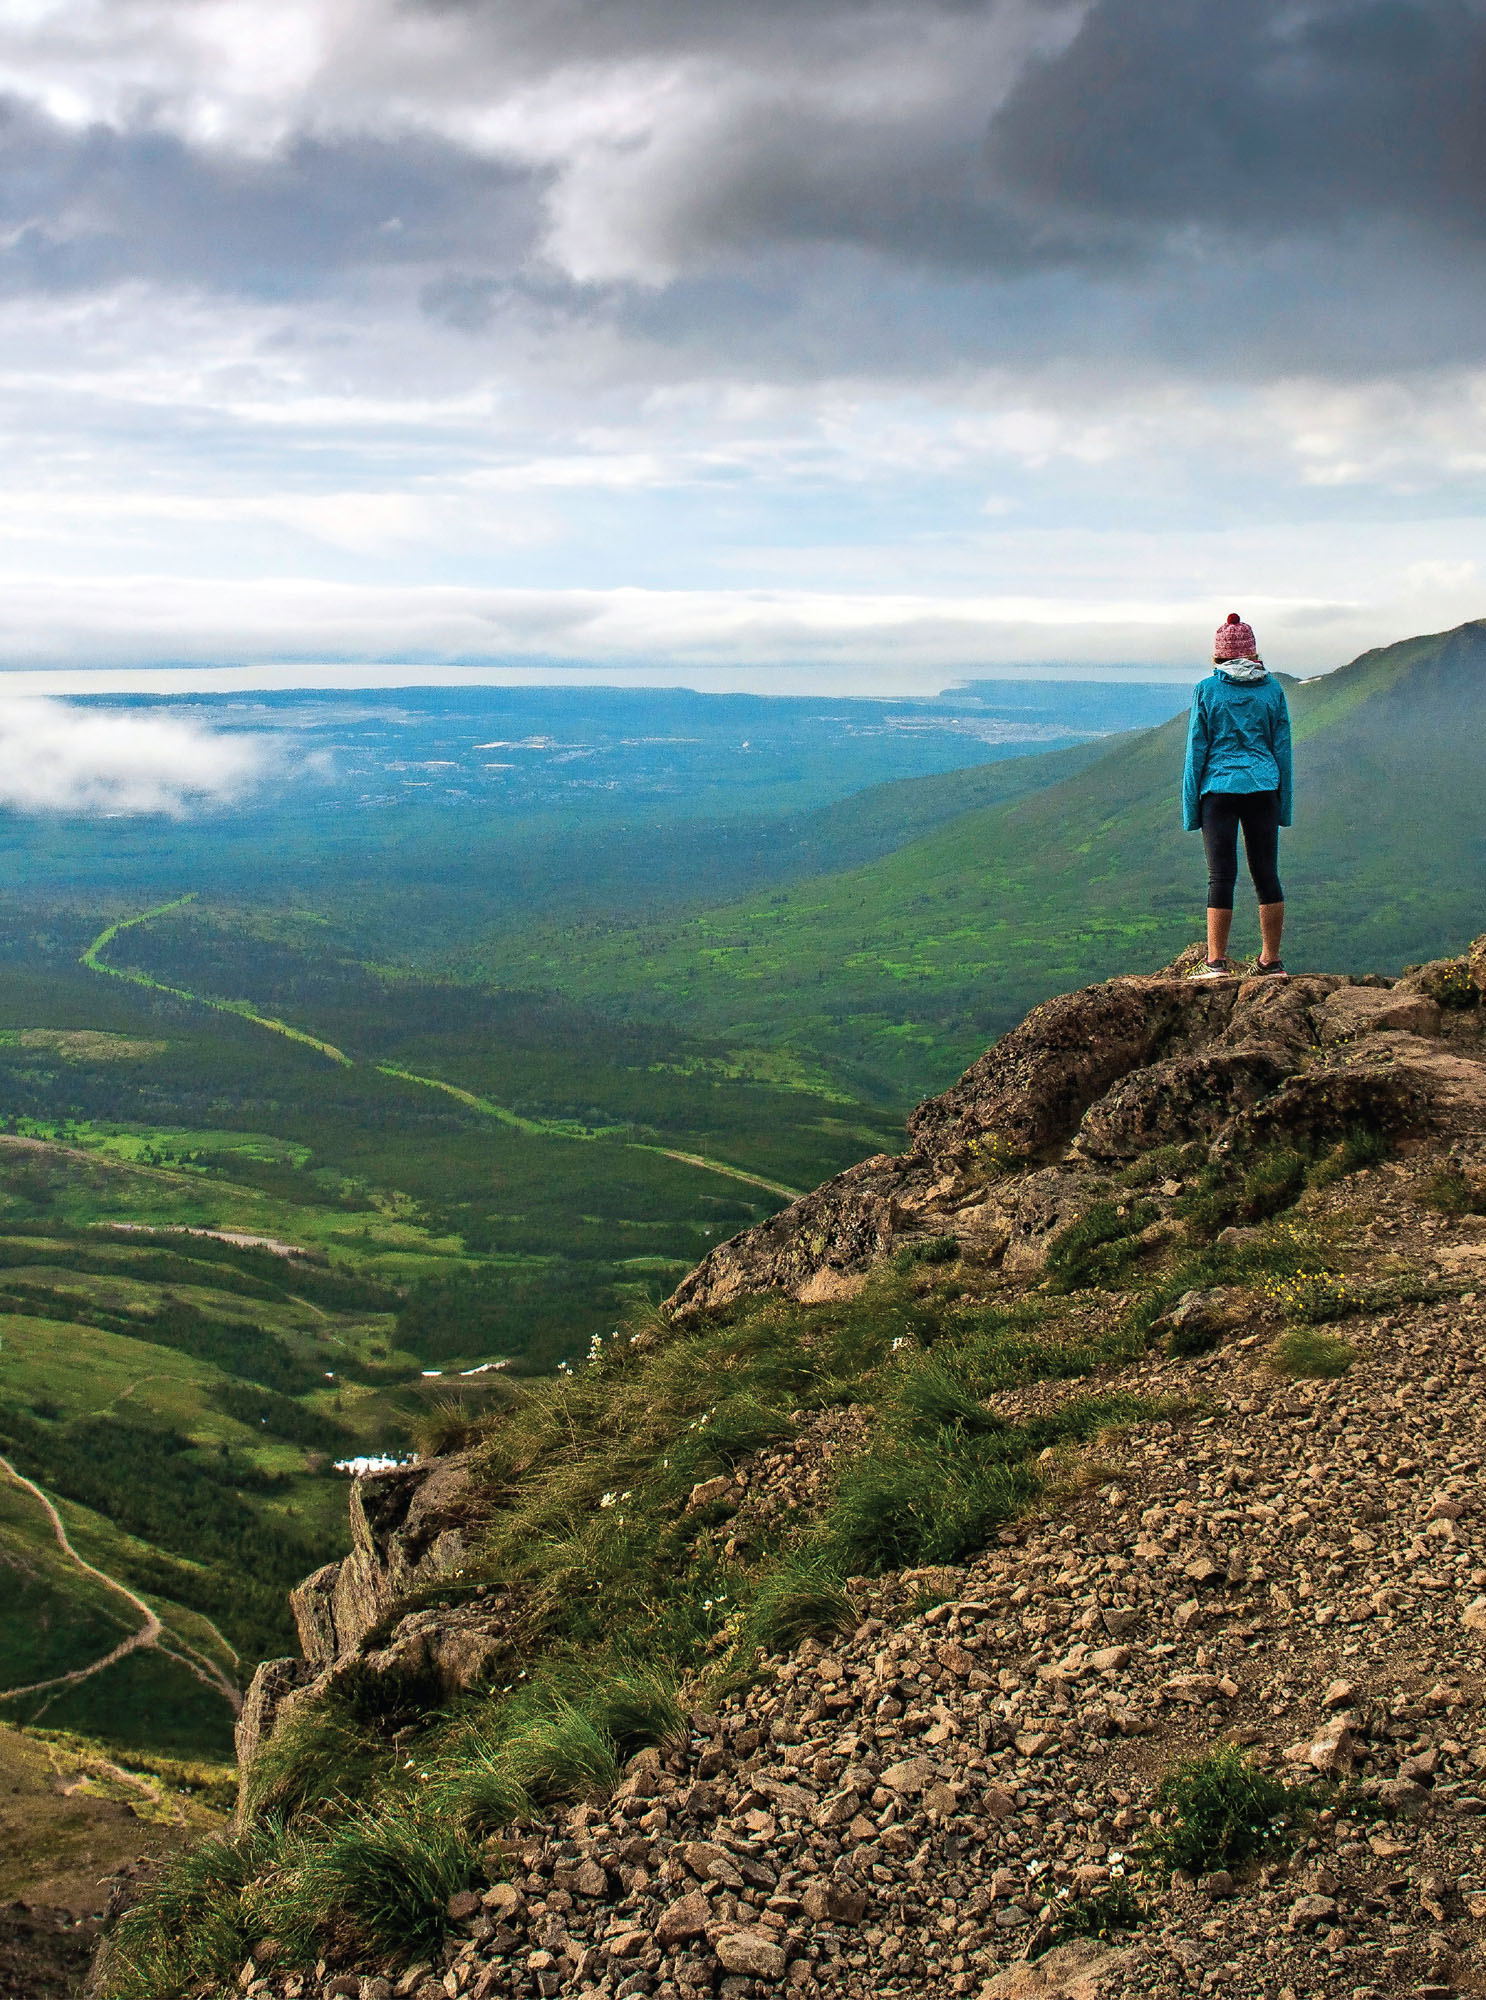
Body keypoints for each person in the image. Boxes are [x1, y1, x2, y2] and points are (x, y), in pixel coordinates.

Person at [1181, 611, 1293, 979]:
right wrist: (1284, 808)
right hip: (1263, 788)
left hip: (1219, 790)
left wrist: (1191, 812)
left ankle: (1216, 963)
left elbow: (1196, 753)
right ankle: (1271, 961)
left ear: (1219, 655)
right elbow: (1283, 752)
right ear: (1253, 653)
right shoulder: (1273, 689)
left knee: (1221, 876)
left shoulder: (1207, 690)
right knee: (1266, 873)